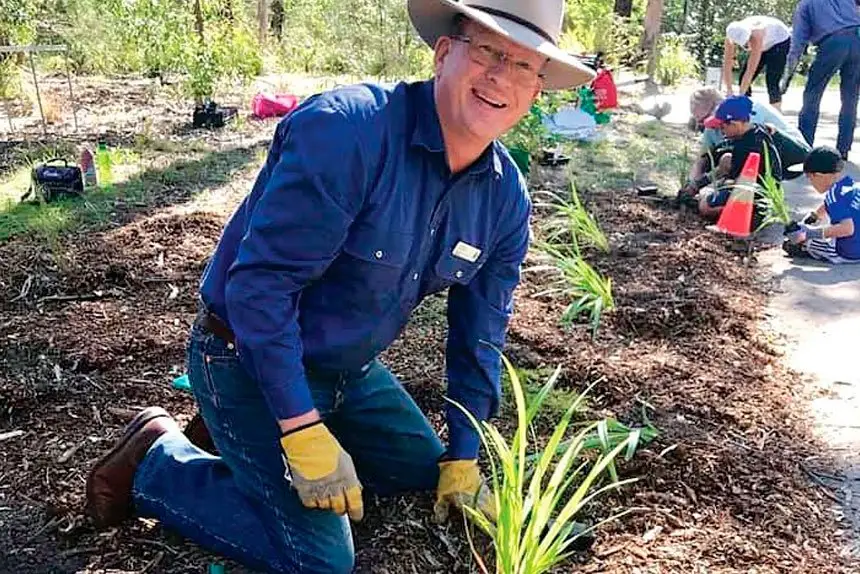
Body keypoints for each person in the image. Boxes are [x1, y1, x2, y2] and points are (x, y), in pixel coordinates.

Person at [83, 1, 595, 573]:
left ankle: (248, 444)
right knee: (322, 560)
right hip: (243, 356)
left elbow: (480, 335)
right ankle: (159, 460)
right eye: (489, 52)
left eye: (524, 66)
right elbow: (258, 287)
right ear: (445, 53)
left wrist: (466, 454)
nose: (502, 76)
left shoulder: (504, 200)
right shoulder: (347, 132)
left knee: (422, 473)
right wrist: (302, 430)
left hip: (350, 372)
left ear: (536, 89)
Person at [679, 95, 781, 221]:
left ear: (735, 124)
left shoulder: (748, 145)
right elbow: (725, 167)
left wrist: (716, 193)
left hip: (757, 193)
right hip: (751, 184)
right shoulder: (751, 131)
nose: (721, 131)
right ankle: (697, 191)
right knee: (726, 159)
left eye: (722, 127)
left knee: (704, 206)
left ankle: (750, 214)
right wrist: (698, 185)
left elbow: (739, 183)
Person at [781, 0, 860, 160]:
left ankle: (804, 145)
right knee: (850, 99)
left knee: (812, 94)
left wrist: (787, 75)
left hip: (832, 43)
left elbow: (798, 43)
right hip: (857, 40)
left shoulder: (805, 5)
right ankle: (843, 150)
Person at [785, 146, 860, 263]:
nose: (810, 182)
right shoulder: (850, 186)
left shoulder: (833, 197)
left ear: (819, 175)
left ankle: (804, 249)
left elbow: (847, 229)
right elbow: (827, 206)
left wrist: (808, 233)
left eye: (810, 178)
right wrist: (812, 218)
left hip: (848, 252)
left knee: (799, 242)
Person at [722, 16, 792, 109]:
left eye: (747, 40)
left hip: (780, 41)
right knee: (742, 77)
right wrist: (729, 90)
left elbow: (751, 70)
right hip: (763, 43)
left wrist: (740, 96)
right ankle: (746, 109)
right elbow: (727, 63)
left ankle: (776, 112)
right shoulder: (730, 36)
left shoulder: (757, 34)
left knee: (772, 80)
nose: (747, 44)